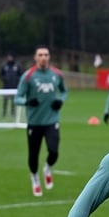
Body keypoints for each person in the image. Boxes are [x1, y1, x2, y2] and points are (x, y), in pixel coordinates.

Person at [15, 45, 68, 197]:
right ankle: (35, 178)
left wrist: (60, 100)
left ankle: (47, 168)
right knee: (33, 154)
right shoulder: (28, 76)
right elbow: (17, 98)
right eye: (40, 55)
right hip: (34, 122)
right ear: (35, 57)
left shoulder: (57, 74)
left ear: (49, 57)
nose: (43, 57)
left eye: (46, 54)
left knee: (54, 151)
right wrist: (27, 102)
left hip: (52, 120)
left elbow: (64, 91)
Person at [0, 52, 24, 117]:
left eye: (11, 57)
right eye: (8, 57)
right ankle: (4, 112)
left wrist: (17, 79)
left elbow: (21, 74)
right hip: (6, 86)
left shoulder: (17, 65)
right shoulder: (4, 65)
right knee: (5, 100)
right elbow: (1, 74)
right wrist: (5, 79)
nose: (10, 58)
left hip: (14, 86)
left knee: (13, 100)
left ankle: (13, 112)